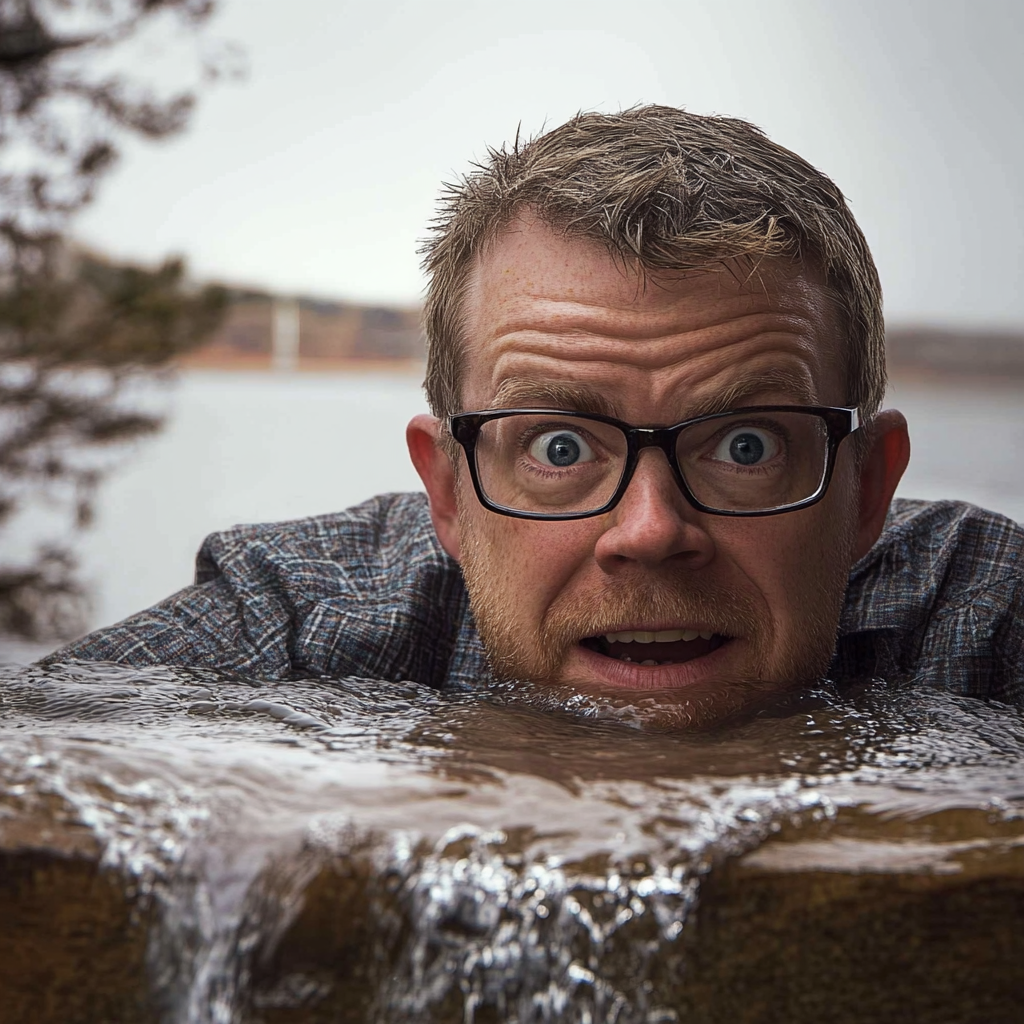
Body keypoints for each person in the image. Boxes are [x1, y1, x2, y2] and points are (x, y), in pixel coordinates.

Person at [44, 106, 1024, 724]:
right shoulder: (307, 618)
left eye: (745, 444)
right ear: (447, 490)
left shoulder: (977, 613)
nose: (649, 532)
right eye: (559, 446)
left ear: (866, 491)